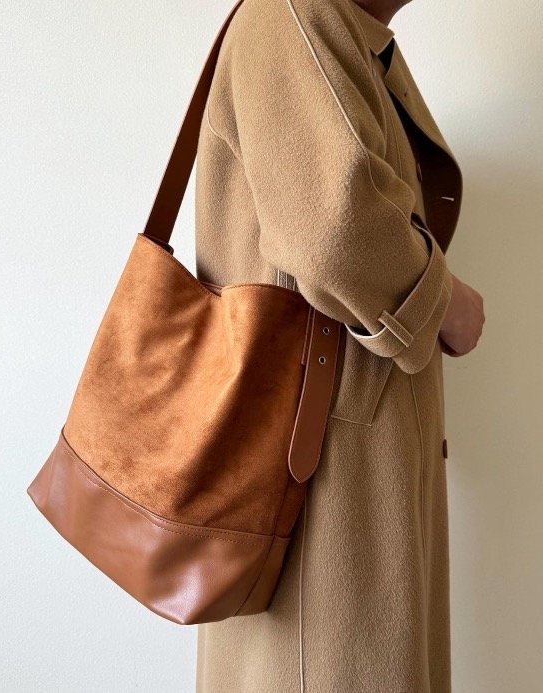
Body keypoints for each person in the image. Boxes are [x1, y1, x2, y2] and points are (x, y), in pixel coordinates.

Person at [194, 0, 485, 691]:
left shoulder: (346, 34)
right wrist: (443, 302)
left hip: (342, 466)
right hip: (321, 480)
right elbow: (334, 230)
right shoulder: (290, 16)